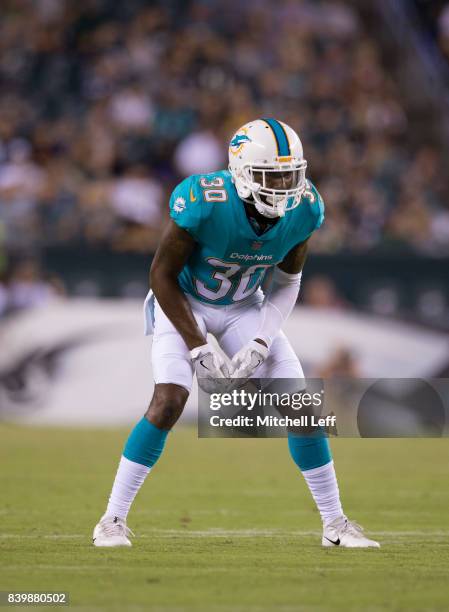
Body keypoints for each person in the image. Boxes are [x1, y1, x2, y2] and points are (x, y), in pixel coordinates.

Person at [92, 118, 379, 548]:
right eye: (272, 175)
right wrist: (197, 345)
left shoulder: (304, 208)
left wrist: (262, 339)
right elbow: (161, 275)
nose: (284, 185)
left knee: (300, 405)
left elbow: (288, 281)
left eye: (290, 173)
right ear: (242, 173)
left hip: (245, 307)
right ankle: (111, 520)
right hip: (185, 305)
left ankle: (335, 525)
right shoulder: (204, 201)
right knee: (169, 400)